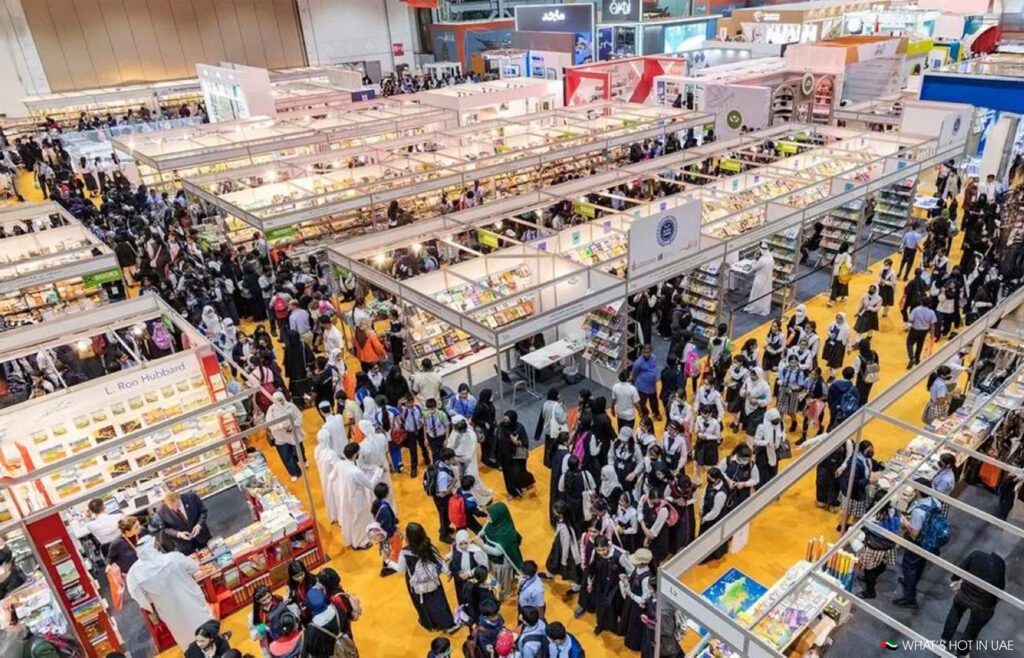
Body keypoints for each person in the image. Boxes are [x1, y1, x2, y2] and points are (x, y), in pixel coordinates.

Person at [126, 536, 212, 650]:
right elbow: (194, 567)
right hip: (191, 601)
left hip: (169, 611)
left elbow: (139, 597)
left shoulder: (135, 573)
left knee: (185, 636)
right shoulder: (174, 557)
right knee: (205, 628)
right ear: (155, 546)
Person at [386, 523, 457, 632]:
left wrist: (388, 561)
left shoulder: (405, 552)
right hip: (433, 580)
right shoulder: (428, 546)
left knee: (422, 604)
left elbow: (401, 569)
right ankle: (447, 624)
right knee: (438, 601)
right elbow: (439, 562)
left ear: (408, 537)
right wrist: (448, 573)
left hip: (415, 585)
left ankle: (430, 624)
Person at [940, 550, 1006, 655]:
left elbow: (959, 570)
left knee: (955, 612)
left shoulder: (976, 554)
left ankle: (944, 640)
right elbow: (1000, 589)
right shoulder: (1000, 566)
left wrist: (955, 579)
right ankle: (961, 652)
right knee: (973, 627)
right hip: (983, 605)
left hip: (965, 594)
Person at [894, 478, 945, 609]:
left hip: (918, 543)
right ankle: (911, 583)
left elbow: (914, 533)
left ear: (917, 491)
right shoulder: (936, 502)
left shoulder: (918, 511)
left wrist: (905, 522)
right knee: (920, 565)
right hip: (930, 541)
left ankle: (910, 597)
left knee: (909, 568)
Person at [336, 442, 383, 550]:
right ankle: (359, 542)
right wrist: (378, 471)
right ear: (355, 455)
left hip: (346, 494)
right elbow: (370, 484)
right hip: (356, 498)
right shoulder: (355, 471)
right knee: (358, 519)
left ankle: (357, 538)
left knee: (354, 518)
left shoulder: (342, 464)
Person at [857, 490, 901, 599]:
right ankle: (873, 577)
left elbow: (879, 532)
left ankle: (870, 591)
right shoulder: (894, 512)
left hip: (875, 546)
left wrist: (870, 528)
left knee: (868, 568)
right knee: (881, 565)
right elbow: (896, 529)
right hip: (888, 546)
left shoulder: (878, 515)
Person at [478, 503, 524, 597]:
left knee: (504, 580)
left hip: (502, 563)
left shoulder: (505, 533)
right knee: (495, 576)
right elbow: (485, 528)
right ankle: (496, 587)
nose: (488, 518)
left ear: (498, 517)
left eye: (490, 516)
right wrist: (479, 534)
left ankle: (506, 592)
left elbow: (498, 552)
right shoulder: (495, 522)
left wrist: (482, 546)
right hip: (492, 560)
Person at [265, 392, 306, 481]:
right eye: (277, 400)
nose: (280, 402)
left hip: (293, 433)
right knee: (286, 455)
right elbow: (269, 423)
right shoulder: (271, 410)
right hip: (280, 436)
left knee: (299, 451)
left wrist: (293, 425)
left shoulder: (291, 406)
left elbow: (299, 416)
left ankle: (303, 461)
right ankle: (294, 472)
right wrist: (281, 426)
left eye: (281, 400)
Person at [156, 489, 210, 555]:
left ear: (179, 498)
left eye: (177, 505)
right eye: (172, 508)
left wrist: (199, 525)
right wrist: (178, 534)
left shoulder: (192, 497)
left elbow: (203, 512)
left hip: (201, 536)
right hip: (184, 544)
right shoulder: (161, 511)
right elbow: (164, 528)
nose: (175, 509)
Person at [620, 549, 653, 651]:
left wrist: (631, 594)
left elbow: (644, 599)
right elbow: (633, 577)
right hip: (631, 602)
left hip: (638, 606)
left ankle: (634, 645)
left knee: (635, 626)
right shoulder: (638, 569)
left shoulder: (647, 578)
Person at [497, 410, 535, 498]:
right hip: (505, 456)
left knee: (519, 473)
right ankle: (513, 491)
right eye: (504, 420)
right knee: (508, 475)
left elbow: (524, 444)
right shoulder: (501, 427)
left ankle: (526, 483)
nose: (505, 422)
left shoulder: (519, 428)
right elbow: (497, 441)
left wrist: (517, 442)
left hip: (517, 456)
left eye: (507, 421)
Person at [752, 409, 784, 488]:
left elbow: (782, 434)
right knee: (762, 472)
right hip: (763, 453)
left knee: (773, 471)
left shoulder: (780, 425)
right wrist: (767, 443)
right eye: (774, 421)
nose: (776, 422)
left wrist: (779, 440)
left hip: (774, 452)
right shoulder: (761, 427)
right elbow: (756, 441)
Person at [744, 242, 775, 315]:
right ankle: (762, 308)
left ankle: (754, 308)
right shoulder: (771, 258)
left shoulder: (762, 260)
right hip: (767, 280)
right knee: (764, 294)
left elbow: (754, 268)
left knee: (756, 293)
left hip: (760, 279)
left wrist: (754, 260)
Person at [631, 345, 661, 420]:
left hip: (652, 386)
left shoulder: (654, 357)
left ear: (651, 352)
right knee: (642, 403)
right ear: (641, 352)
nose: (646, 354)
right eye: (644, 352)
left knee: (654, 402)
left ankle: (656, 413)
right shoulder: (638, 363)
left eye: (648, 352)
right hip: (642, 387)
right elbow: (634, 373)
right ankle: (645, 415)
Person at [906, 299, 938, 369]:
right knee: (920, 345)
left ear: (921, 302)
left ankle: (911, 357)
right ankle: (917, 359)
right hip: (924, 331)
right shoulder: (931, 312)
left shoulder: (916, 310)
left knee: (909, 343)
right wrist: (932, 334)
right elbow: (932, 325)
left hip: (915, 329)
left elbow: (910, 319)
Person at [827, 366, 859, 431]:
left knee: (832, 423)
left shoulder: (834, 384)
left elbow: (829, 397)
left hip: (834, 409)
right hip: (845, 412)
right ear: (853, 376)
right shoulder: (853, 389)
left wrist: (831, 407)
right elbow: (856, 401)